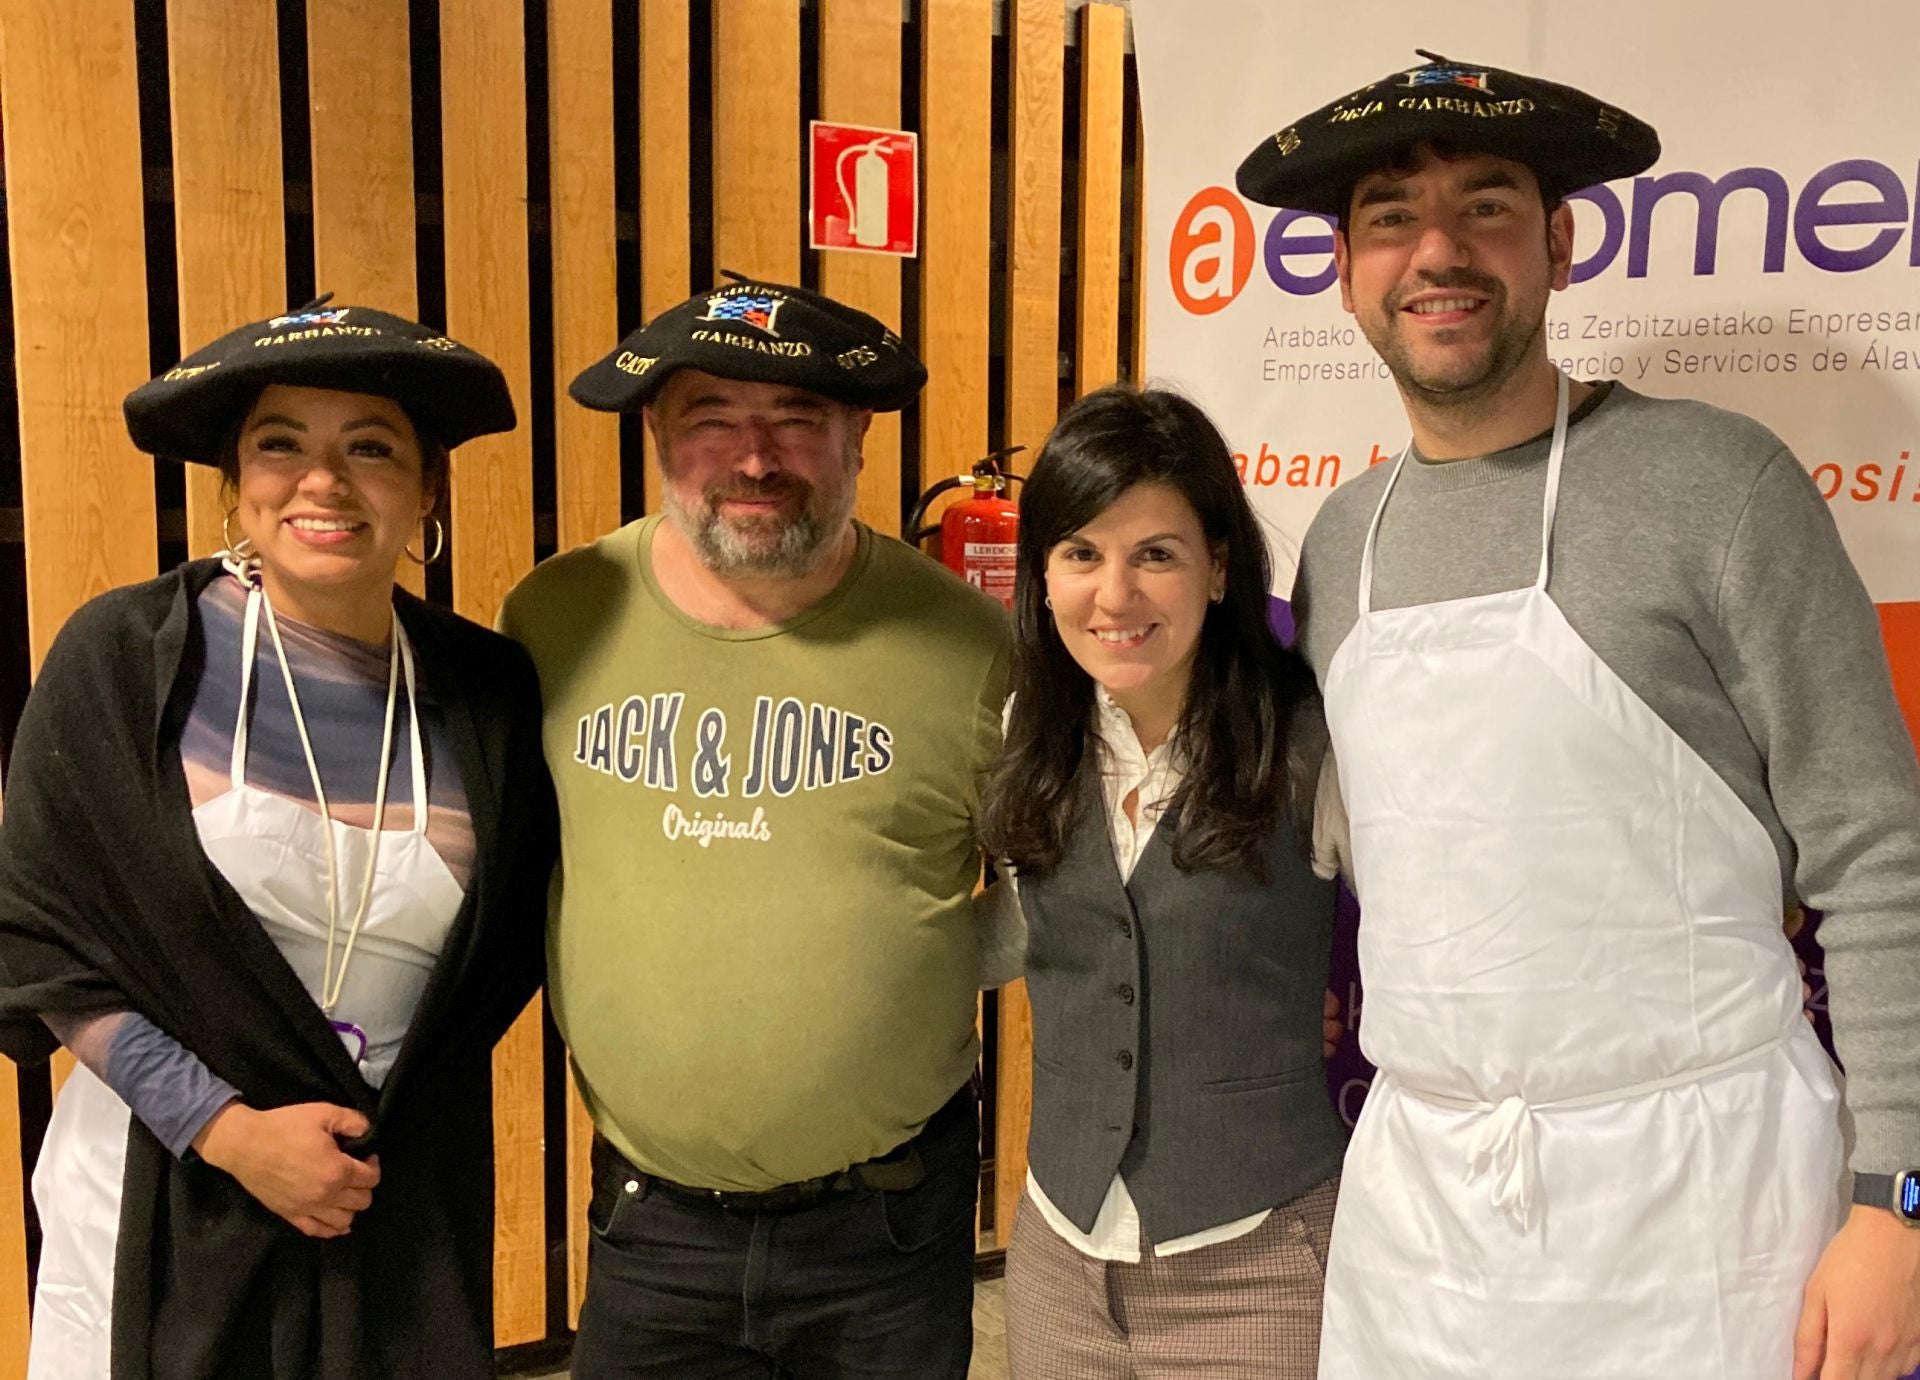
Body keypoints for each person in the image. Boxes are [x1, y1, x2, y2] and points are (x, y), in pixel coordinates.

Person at [1236, 51, 1920, 1380]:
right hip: (1424, 1223)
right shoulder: (1339, 543)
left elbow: (1881, 857)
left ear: (1557, 240)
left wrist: (1898, 1201)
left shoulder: (1717, 486)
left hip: (1706, 1213)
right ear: (1345, 269)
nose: (1439, 252)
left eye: (1486, 207)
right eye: (1390, 218)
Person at [0, 301, 558, 1380]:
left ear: (428, 486)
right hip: (166, 1177)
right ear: (234, 482)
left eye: (371, 447)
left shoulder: (486, 692)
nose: (323, 482)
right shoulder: (125, 659)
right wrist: (227, 1128)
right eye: (280, 444)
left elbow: (510, 951)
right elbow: (39, 940)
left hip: (384, 1188)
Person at [498, 274, 1011, 1379]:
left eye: (797, 421)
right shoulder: (555, 617)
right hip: (652, 1222)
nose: (756, 458)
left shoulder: (970, 645)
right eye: (712, 420)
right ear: (654, 433)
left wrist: (913, 968)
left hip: (887, 1222)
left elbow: (1062, 881)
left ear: (858, 435)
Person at [978, 385, 1346, 1378]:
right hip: (1060, 1251)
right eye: (1081, 554)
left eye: (1157, 554)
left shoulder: (1311, 742)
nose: (1115, 596)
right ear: (1041, 573)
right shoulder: (1031, 731)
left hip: (1258, 1262)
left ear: (1218, 567)